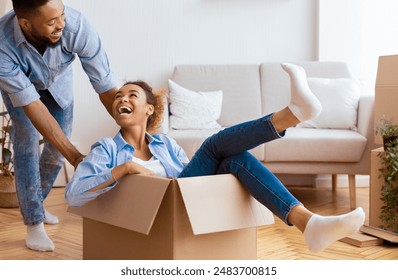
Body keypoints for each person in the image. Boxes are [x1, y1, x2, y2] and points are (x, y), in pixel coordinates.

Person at [65, 63, 365, 253]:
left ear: (150, 110)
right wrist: (127, 167)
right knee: (213, 146)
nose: (122, 99)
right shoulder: (106, 150)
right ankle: (292, 115)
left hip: (183, 205)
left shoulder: (167, 146)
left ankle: (308, 223)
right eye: (119, 97)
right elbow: (74, 195)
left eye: (132, 95)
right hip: (156, 214)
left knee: (234, 159)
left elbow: (187, 182)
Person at [0, 0, 118, 252]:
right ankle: (33, 223)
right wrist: (76, 157)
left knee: (59, 146)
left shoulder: (76, 26)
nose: (61, 24)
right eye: (52, 22)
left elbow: (105, 85)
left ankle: (38, 207)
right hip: (24, 94)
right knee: (27, 140)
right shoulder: (2, 45)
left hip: (58, 85)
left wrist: (132, 129)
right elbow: (32, 105)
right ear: (25, 24)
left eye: (62, 15)